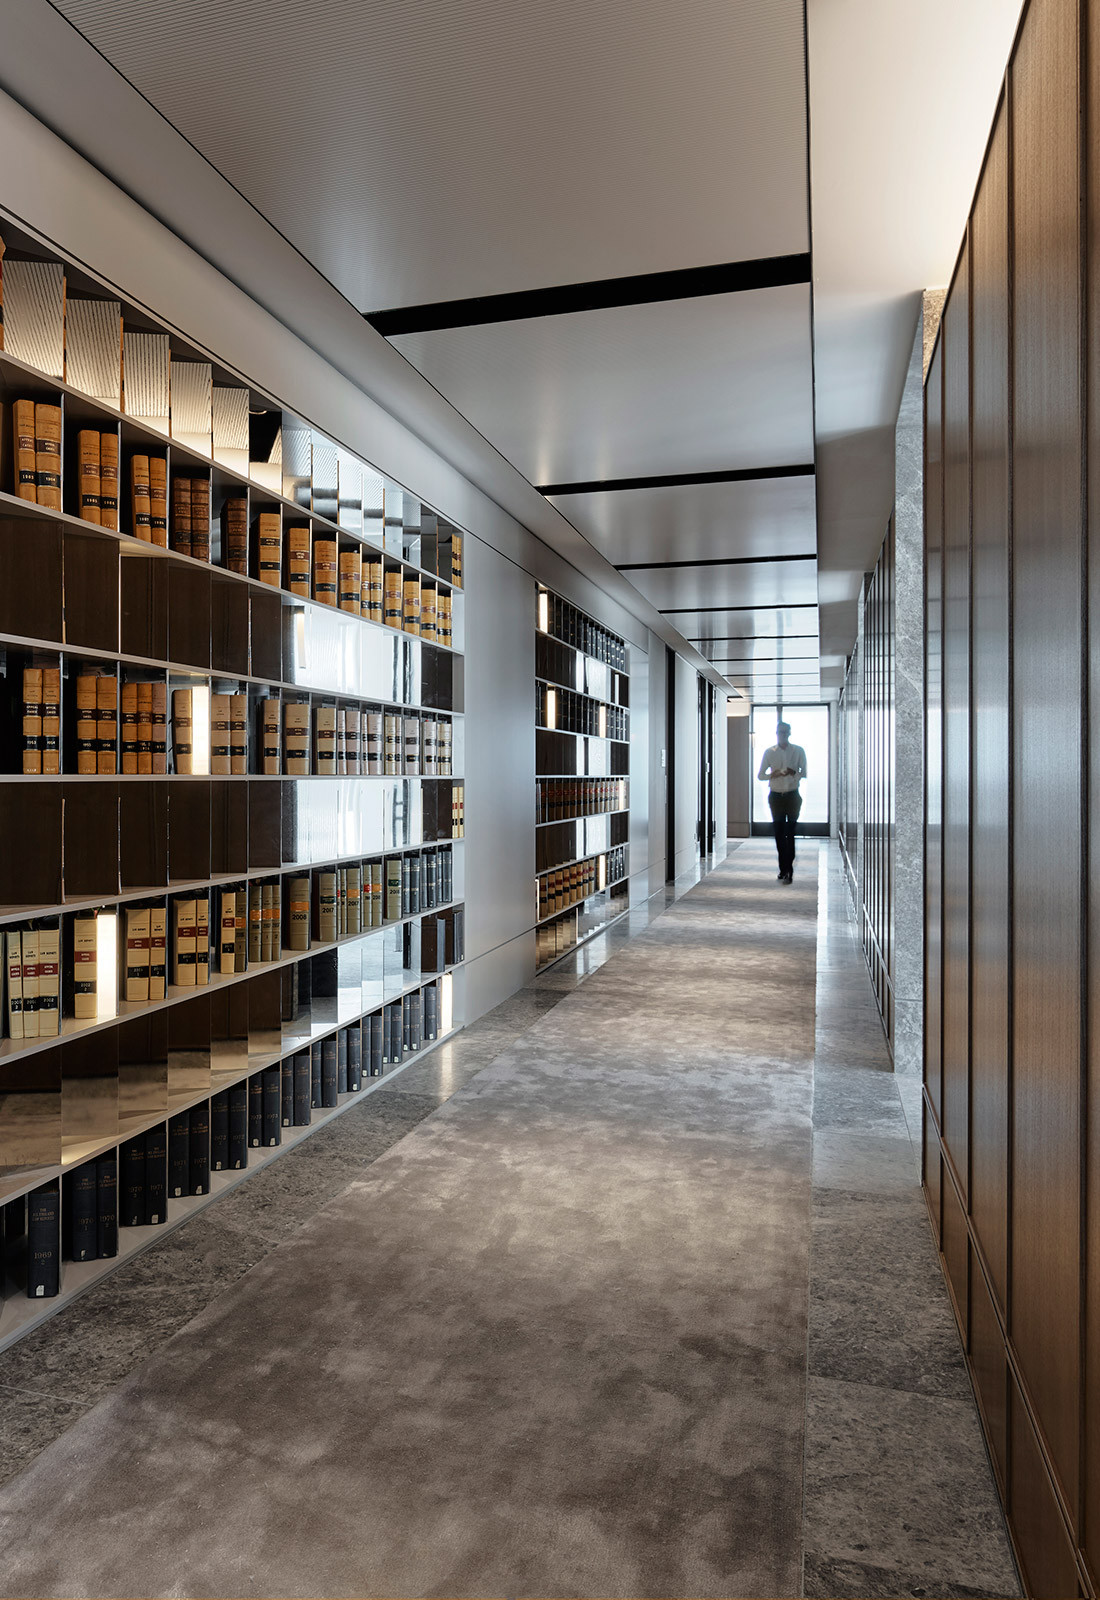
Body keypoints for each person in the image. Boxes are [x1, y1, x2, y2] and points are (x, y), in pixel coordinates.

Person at [757, 721, 807, 883]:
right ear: (776, 734)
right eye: (780, 732)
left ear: (790, 733)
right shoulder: (769, 752)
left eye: (785, 732)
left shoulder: (798, 751)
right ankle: (783, 868)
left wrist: (794, 773)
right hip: (776, 796)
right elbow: (760, 776)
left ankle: (789, 867)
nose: (783, 735)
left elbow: (804, 773)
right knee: (779, 832)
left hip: (793, 795)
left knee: (790, 832)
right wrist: (774, 774)